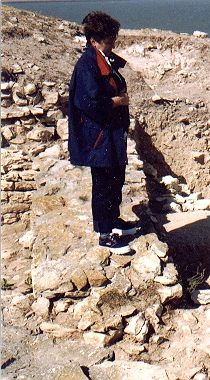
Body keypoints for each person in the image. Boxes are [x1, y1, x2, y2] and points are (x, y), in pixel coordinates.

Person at [68, 11, 136, 254]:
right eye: (109, 41)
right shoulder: (87, 65)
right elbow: (91, 103)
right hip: (99, 137)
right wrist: (118, 102)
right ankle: (105, 235)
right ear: (94, 41)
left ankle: (112, 220)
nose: (113, 45)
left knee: (116, 178)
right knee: (104, 183)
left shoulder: (103, 59)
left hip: (111, 134)